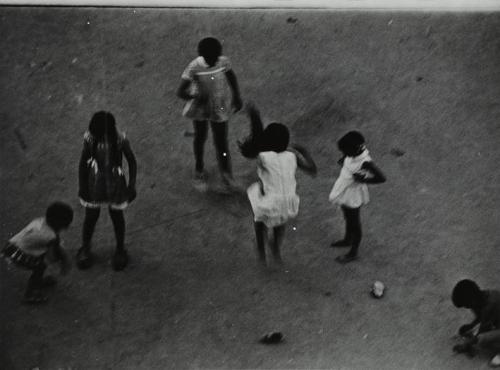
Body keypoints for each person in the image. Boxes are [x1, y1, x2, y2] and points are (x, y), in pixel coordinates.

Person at [239, 102, 317, 267]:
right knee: (280, 224)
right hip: (287, 202)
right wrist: (304, 152)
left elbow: (257, 141)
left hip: (269, 200)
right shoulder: (292, 156)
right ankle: (275, 249)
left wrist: (255, 117)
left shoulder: (263, 157)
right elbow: (312, 170)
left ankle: (261, 252)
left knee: (260, 222)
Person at [177, 37, 243, 192]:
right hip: (201, 108)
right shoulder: (194, 67)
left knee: (221, 142)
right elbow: (180, 92)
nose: (214, 61)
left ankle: (227, 175)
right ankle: (199, 170)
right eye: (211, 58)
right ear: (202, 55)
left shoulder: (223, 61)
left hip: (218, 106)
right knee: (201, 138)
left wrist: (237, 96)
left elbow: (231, 77)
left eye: (217, 57)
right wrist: (195, 97)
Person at [77, 111, 137, 271]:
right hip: (94, 181)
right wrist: (82, 186)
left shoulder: (120, 139)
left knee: (116, 216)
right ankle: (86, 247)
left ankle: (120, 249)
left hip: (114, 182)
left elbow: (131, 161)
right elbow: (83, 162)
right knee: (91, 216)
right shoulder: (90, 138)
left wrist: (132, 185)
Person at [328, 131, 386, 264]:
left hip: (353, 195)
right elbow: (347, 159)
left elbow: (382, 178)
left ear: (355, 150)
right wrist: (344, 159)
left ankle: (353, 252)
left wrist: (364, 179)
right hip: (344, 190)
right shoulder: (352, 153)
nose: (345, 154)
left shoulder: (366, 162)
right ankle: (348, 239)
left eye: (346, 152)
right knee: (347, 216)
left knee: (355, 223)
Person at [2, 202, 73, 303]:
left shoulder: (40, 221)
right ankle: (31, 293)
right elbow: (51, 255)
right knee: (40, 266)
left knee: (40, 262)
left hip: (12, 247)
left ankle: (36, 283)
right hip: (19, 254)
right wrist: (62, 262)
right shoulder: (51, 236)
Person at [452, 279, 500, 367]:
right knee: (475, 334)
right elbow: (480, 317)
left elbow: (483, 330)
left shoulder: (490, 305)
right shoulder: (482, 297)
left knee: (482, 340)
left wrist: (465, 345)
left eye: (467, 305)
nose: (467, 308)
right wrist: (471, 325)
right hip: (495, 322)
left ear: (472, 300)